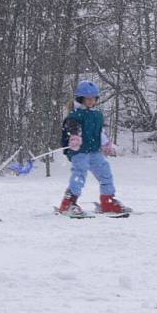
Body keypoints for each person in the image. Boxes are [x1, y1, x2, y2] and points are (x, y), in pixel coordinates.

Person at [58, 80, 128, 216]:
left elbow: (99, 132)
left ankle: (107, 201)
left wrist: (106, 143)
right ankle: (68, 203)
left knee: (105, 172)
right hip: (79, 151)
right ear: (81, 99)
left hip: (94, 150)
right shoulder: (75, 114)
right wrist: (74, 137)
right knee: (80, 173)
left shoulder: (97, 115)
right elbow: (71, 127)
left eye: (93, 99)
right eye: (88, 99)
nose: (91, 102)